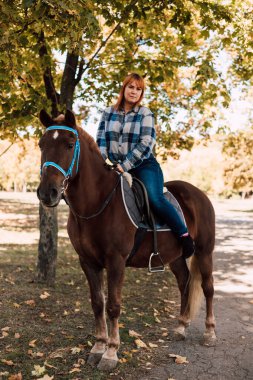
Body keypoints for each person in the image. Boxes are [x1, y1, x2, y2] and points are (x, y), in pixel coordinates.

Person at [96, 73, 195, 258]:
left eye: (138, 89)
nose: (134, 91)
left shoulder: (145, 113)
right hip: (115, 165)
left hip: (143, 165)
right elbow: (101, 140)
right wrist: (102, 163)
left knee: (154, 198)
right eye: (131, 87)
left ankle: (183, 235)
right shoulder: (108, 112)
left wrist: (125, 165)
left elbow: (147, 142)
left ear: (141, 93)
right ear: (124, 88)